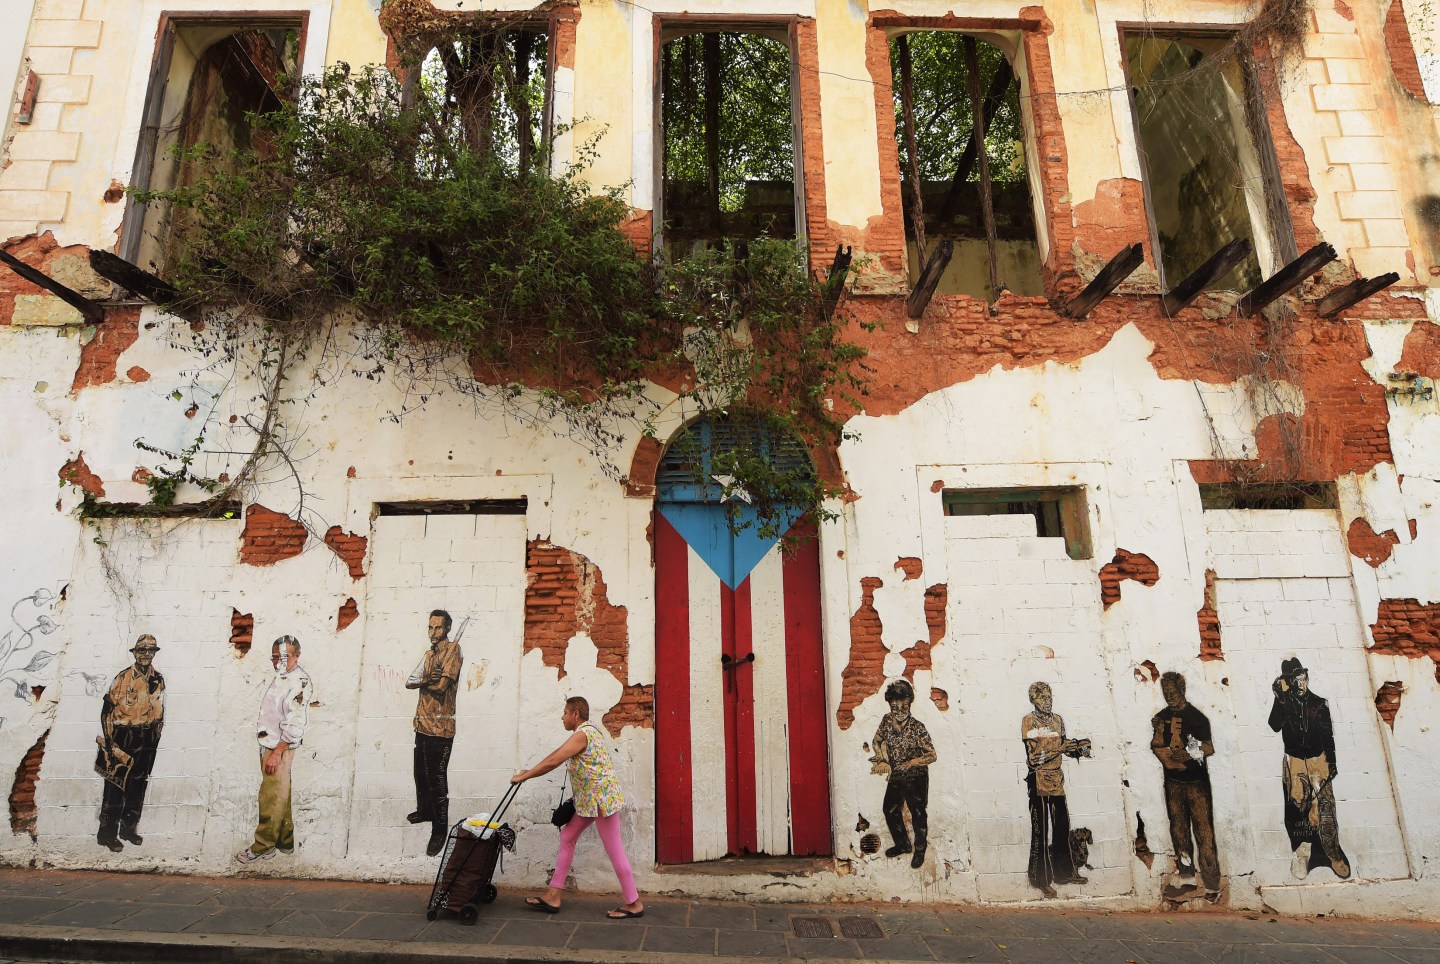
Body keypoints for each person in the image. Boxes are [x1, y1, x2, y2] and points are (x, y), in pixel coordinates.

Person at [511, 696, 644, 919]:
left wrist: (525, 776)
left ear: (575, 714)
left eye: (564, 712)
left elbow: (554, 760)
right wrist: (529, 771)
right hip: (589, 803)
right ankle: (554, 895)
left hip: (601, 803)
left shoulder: (583, 734)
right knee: (568, 837)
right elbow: (555, 757)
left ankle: (634, 902)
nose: (562, 717)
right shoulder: (590, 732)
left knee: (615, 850)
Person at [1268, 657, 1350, 879]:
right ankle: (1302, 853)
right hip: (1294, 760)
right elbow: (1274, 725)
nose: (1301, 684)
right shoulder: (1285, 703)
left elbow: (1327, 734)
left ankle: (1333, 853)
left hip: (1318, 759)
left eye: (1303, 679)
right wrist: (1280, 699)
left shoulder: (1319, 703)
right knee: (1297, 807)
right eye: (1295, 680)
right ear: (1289, 682)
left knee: (1325, 808)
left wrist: (1331, 761)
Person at [237, 635, 312, 864]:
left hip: (280, 747)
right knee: (282, 795)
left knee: (270, 798)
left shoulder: (298, 681)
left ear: (297, 656)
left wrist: (278, 752)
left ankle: (263, 845)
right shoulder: (283, 676)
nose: (279, 661)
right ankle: (285, 841)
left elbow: (295, 722)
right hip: (270, 744)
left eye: (285, 657)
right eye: (275, 657)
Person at [1150, 671, 1221, 900]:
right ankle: (1187, 875)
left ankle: (1211, 884)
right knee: (1179, 831)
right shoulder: (1161, 717)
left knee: (1204, 833)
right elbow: (1157, 745)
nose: (1169, 696)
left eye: (1173, 692)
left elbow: (1208, 747)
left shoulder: (1197, 718)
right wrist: (1159, 734)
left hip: (1196, 783)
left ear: (1182, 691)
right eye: (1166, 693)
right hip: (1173, 783)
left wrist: (1189, 755)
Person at [95, 635, 165, 852]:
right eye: (142, 650)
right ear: (135, 653)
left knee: (138, 785)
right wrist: (109, 741)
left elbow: (160, 708)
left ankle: (128, 830)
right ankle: (106, 834)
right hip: (124, 735)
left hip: (148, 736)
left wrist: (155, 734)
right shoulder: (123, 677)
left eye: (150, 650)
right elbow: (107, 710)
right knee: (115, 786)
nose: (146, 654)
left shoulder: (158, 678)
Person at [1021, 682, 1091, 897]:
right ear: (1034, 700)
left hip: (1056, 779)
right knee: (1041, 832)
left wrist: (1076, 748)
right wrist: (1060, 748)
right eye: (1042, 698)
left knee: (1061, 827)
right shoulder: (1029, 721)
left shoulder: (1057, 720)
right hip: (1039, 780)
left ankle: (1064, 872)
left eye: (1049, 697)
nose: (1047, 701)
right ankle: (1040, 878)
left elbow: (1062, 747)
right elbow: (1034, 759)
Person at [407, 609, 463, 856]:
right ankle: (425, 811)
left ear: (447, 629)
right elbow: (410, 681)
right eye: (430, 627)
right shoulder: (429, 655)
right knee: (420, 773)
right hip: (422, 724)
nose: (433, 632)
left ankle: (439, 829)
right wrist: (425, 679)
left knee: (437, 780)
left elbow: (441, 688)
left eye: (438, 628)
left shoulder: (454, 652)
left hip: (441, 728)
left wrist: (426, 681)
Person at [869, 678, 936, 869]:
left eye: (903, 706)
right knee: (889, 808)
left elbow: (932, 755)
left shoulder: (917, 727)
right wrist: (882, 757)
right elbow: (876, 741)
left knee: (918, 813)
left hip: (916, 776)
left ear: (909, 704)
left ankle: (920, 849)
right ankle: (903, 844)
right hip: (897, 773)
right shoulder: (886, 721)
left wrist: (911, 763)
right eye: (894, 706)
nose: (899, 711)